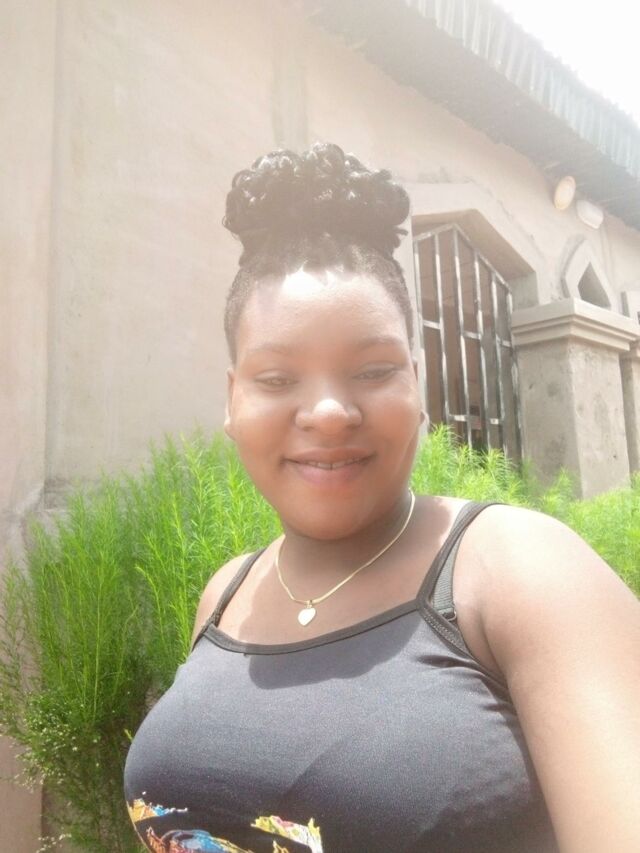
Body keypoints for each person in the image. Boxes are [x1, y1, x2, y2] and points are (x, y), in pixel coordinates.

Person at [123, 143, 640, 853]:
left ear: (418, 385)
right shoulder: (226, 592)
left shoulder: (516, 571)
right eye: (276, 379)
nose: (329, 412)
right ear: (233, 399)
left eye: (372, 370)